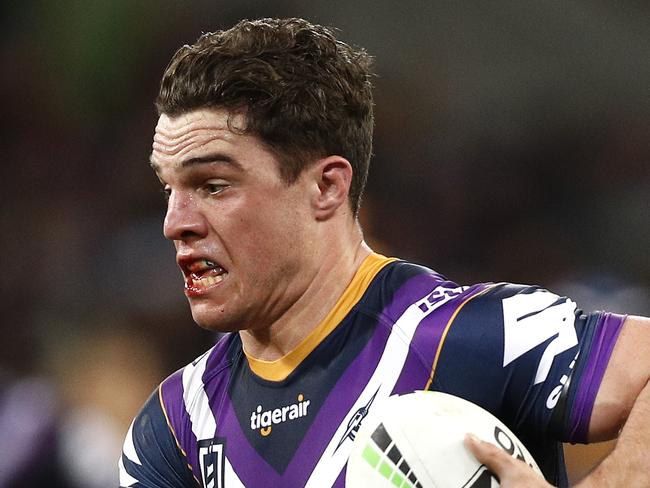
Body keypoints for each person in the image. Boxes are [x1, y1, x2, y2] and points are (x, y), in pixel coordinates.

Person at [119, 18, 650, 488]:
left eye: (213, 185)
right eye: (169, 190)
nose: (175, 224)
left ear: (325, 187)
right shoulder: (172, 431)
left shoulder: (468, 336)